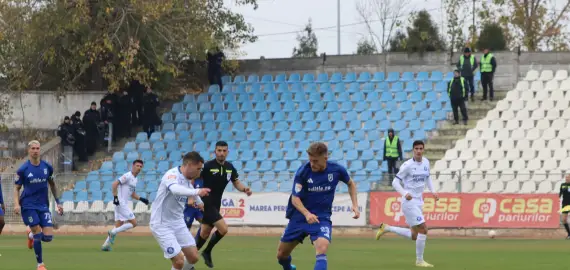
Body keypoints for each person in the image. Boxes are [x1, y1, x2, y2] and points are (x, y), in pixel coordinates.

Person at [276, 142, 360, 270]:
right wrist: (307, 214)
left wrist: (355, 205)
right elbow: (295, 198)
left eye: (315, 161)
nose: (312, 164)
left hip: (321, 217)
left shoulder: (336, 169)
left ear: (325, 158)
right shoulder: (303, 171)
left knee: (322, 248)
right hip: (300, 216)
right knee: (281, 255)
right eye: (310, 160)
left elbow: (351, 184)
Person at [375, 140, 438, 268]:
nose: (419, 151)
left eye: (421, 148)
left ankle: (387, 228)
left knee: (415, 236)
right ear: (413, 150)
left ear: (423, 149)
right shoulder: (407, 165)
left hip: (419, 201)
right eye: (416, 149)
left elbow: (427, 178)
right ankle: (419, 261)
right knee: (424, 229)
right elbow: (395, 182)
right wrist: (404, 193)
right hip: (409, 202)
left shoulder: (426, 162)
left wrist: (433, 191)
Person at [195, 141, 252, 268]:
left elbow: (236, 182)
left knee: (204, 233)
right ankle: (207, 251)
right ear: (215, 151)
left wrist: (245, 189)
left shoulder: (230, 167)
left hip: (216, 204)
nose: (221, 153)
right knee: (223, 229)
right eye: (219, 150)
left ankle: (189, 257)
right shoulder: (208, 166)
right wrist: (194, 195)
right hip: (206, 202)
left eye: (224, 151)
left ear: (227, 152)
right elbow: (194, 178)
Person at [150, 152, 211, 270]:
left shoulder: (187, 179)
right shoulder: (171, 175)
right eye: (198, 169)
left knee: (193, 257)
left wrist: (200, 203)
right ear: (189, 165)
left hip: (178, 223)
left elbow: (189, 188)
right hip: (162, 224)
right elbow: (175, 189)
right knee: (178, 261)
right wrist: (197, 193)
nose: (200, 172)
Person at [13, 140, 64, 270]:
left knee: (47, 237)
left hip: (43, 205)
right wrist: (16, 204)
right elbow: (17, 188)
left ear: (39, 150)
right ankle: (40, 264)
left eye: (37, 148)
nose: (35, 151)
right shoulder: (23, 169)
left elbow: (52, 184)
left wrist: (58, 202)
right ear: (29, 151)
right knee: (37, 232)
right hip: (28, 205)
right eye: (33, 148)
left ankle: (30, 236)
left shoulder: (47, 167)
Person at [101, 160, 149, 251]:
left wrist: (142, 199)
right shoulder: (127, 176)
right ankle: (113, 232)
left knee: (119, 224)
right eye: (137, 166)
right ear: (133, 166)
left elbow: (132, 194)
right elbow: (114, 184)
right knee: (134, 223)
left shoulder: (135, 179)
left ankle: (105, 245)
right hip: (120, 202)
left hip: (120, 203)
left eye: (140, 166)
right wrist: (115, 197)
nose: (139, 168)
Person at [559, 175, 570, 239]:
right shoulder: (562, 184)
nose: (567, 178)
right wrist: (559, 197)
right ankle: (569, 234)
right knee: (563, 220)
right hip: (565, 204)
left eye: (568, 177)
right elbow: (560, 192)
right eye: (566, 178)